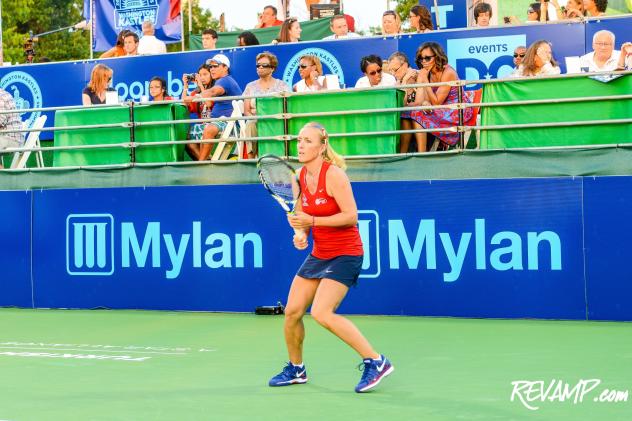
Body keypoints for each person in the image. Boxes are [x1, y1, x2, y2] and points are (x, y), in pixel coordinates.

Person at [268, 121, 394, 393]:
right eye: (299, 140)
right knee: (291, 312)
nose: (300, 145)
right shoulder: (298, 177)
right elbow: (301, 219)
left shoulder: (334, 175)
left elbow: (351, 216)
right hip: (319, 253)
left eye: (308, 141)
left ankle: (376, 361)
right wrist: (301, 235)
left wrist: (311, 220)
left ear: (322, 146)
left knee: (322, 313)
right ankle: (296, 369)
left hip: (346, 253)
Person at [405, 42, 472, 151]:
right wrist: (425, 102)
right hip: (441, 108)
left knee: (417, 113)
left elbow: (436, 102)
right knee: (405, 112)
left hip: (457, 110)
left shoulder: (448, 72)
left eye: (427, 58)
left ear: (437, 56)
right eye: (421, 59)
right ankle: (402, 153)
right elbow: (423, 99)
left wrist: (424, 79)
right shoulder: (428, 72)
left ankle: (422, 154)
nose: (424, 62)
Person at [193, 54, 242, 161]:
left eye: (215, 66)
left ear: (225, 68)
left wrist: (198, 96)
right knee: (192, 132)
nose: (212, 69)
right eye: (211, 67)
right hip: (224, 123)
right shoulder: (223, 80)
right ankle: (204, 161)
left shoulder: (225, 80)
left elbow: (214, 91)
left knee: (209, 129)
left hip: (231, 126)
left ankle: (200, 164)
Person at [242, 52, 290, 158]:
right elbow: (246, 111)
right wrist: (258, 118)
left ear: (272, 68)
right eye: (258, 65)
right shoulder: (250, 86)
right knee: (250, 123)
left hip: (276, 120)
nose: (260, 67)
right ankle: (251, 159)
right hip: (256, 120)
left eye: (264, 65)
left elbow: (286, 107)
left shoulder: (282, 85)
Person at [182, 63, 214, 144]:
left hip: (213, 125)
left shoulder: (215, 89)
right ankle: (206, 157)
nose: (202, 78)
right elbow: (184, 103)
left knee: (189, 134)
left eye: (205, 74)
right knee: (185, 137)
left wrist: (200, 85)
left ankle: (204, 157)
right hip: (202, 126)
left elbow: (209, 103)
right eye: (200, 75)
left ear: (211, 75)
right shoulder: (196, 92)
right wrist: (185, 86)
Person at [0, 87, 24, 168]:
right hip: (7, 138)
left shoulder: (1, 96)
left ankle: (3, 176)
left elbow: (0, 120)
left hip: (11, 139)